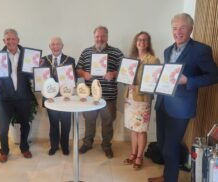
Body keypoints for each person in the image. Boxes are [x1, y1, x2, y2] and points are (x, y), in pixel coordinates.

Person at [148, 13, 218, 182]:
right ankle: (166, 176)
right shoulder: (167, 50)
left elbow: (214, 76)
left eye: (182, 28)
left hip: (181, 108)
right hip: (163, 103)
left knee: (170, 148)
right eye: (174, 28)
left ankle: (170, 179)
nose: (178, 32)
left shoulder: (201, 50)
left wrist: (189, 80)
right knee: (163, 145)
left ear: (191, 29)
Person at [76, 26, 123, 158]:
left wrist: (113, 74)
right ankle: (87, 143)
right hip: (90, 97)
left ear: (107, 37)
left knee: (107, 123)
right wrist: (84, 73)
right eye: (97, 36)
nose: (100, 39)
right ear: (94, 37)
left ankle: (106, 145)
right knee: (89, 121)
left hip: (108, 97)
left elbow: (125, 72)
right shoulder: (86, 52)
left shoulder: (116, 52)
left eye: (102, 36)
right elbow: (78, 69)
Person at [0, 29, 34, 163]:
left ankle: (24, 148)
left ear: (18, 40)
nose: (11, 41)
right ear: (4, 41)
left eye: (13, 39)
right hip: (5, 98)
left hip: (23, 97)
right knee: (3, 128)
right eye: (8, 39)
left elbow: (32, 76)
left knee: (25, 124)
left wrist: (37, 68)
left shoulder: (28, 55)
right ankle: (4, 151)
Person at [123, 31, 160, 169]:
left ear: (148, 43)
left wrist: (136, 86)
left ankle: (140, 156)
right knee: (133, 128)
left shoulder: (153, 60)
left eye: (145, 40)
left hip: (143, 99)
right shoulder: (131, 59)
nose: (141, 42)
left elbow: (153, 84)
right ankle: (133, 153)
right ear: (135, 42)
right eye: (139, 39)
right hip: (130, 98)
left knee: (141, 129)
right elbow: (125, 77)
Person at [40, 37, 75, 156]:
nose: (55, 47)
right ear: (50, 46)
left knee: (66, 124)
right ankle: (54, 146)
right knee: (53, 123)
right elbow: (38, 77)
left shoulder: (70, 60)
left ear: (62, 46)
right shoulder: (43, 60)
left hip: (65, 97)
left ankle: (64, 146)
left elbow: (72, 79)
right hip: (51, 99)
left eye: (58, 44)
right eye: (53, 44)